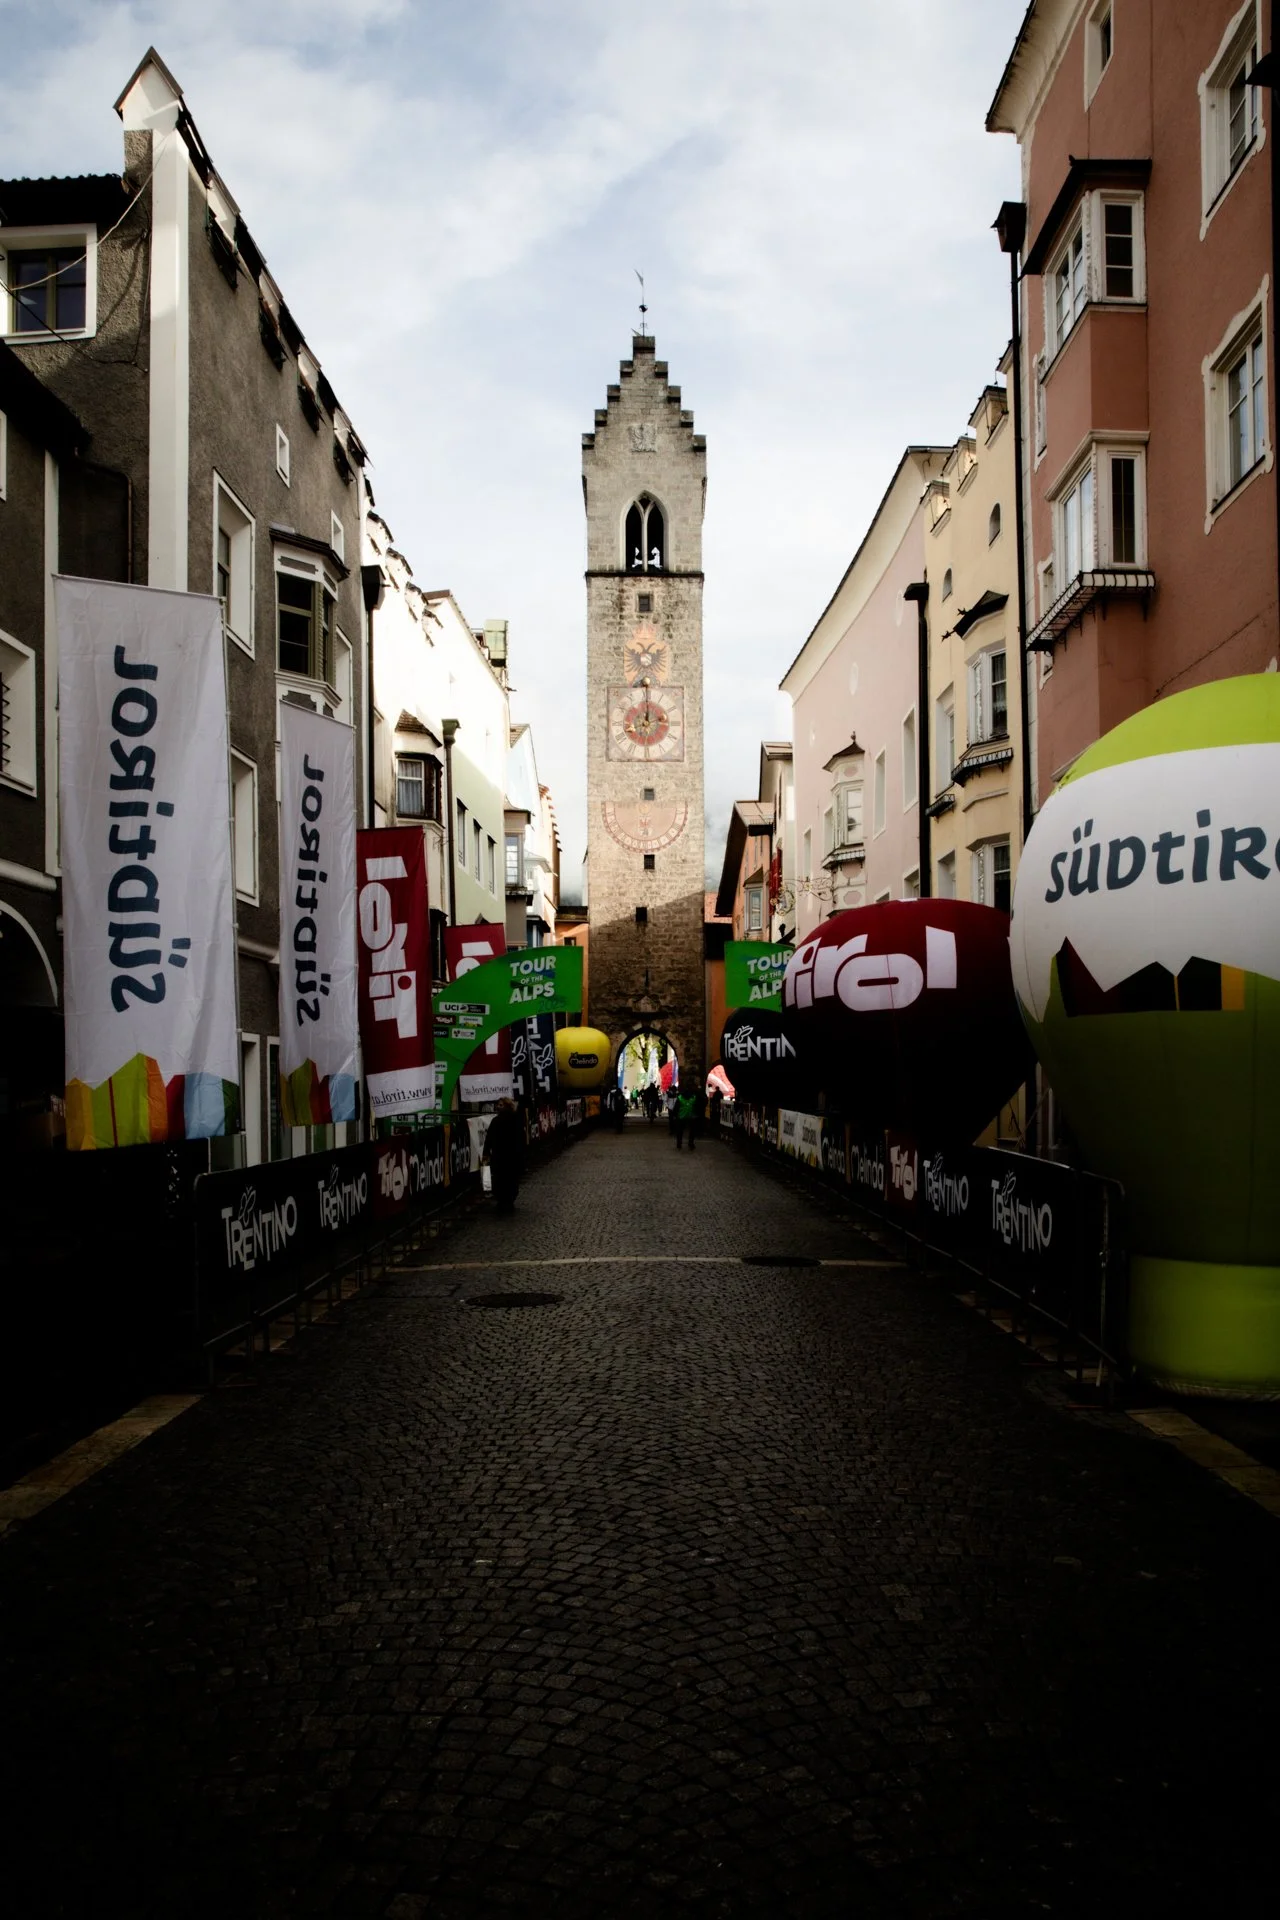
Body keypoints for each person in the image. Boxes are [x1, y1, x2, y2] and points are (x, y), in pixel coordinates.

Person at [482, 1099, 524, 1214]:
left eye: (501, 1105)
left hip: (509, 1155)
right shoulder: (497, 1121)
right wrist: (486, 1152)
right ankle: (504, 1201)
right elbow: (489, 1138)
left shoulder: (513, 1120)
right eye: (498, 1105)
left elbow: (520, 1138)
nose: (498, 1107)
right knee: (501, 1180)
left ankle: (507, 1202)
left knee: (508, 1180)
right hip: (501, 1156)